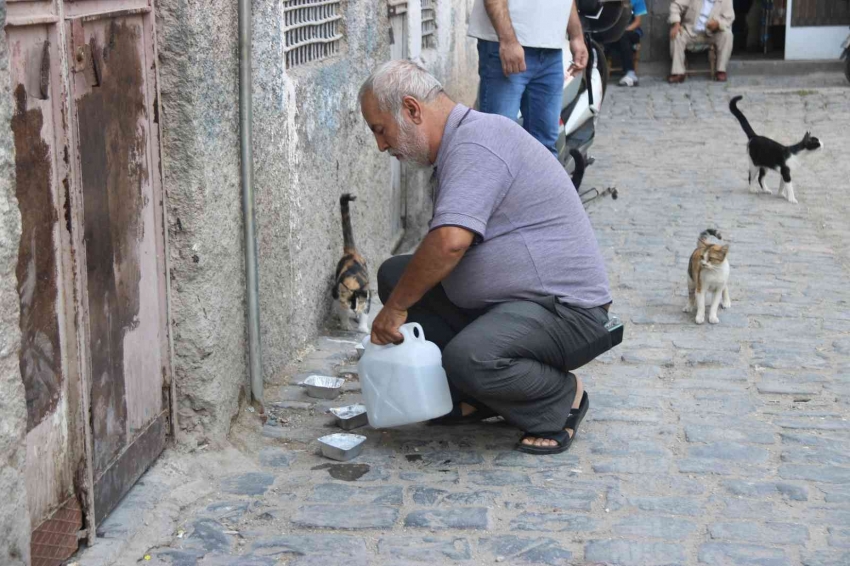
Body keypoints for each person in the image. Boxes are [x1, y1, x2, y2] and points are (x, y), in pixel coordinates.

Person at [358, 60, 614, 455]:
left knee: (471, 356)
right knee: (398, 274)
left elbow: (449, 243)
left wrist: (394, 309)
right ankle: (477, 397)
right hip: (514, 302)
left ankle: (560, 398)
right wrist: (401, 297)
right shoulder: (461, 142)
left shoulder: (477, 143)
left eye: (380, 129)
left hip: (567, 312)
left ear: (411, 110)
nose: (381, 145)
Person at [466, 0, 588, 157]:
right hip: (508, 47)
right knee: (497, 146)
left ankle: (541, 183)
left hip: (551, 51)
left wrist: (576, 36)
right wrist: (508, 41)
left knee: (544, 146)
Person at [668, 0, 735, 83]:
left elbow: (728, 18)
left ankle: (721, 71)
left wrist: (718, 24)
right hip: (690, 31)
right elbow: (676, 5)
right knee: (676, 34)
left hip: (712, 33)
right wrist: (676, 23)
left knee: (727, 35)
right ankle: (678, 73)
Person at [605, 0, 648, 87]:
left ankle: (630, 74)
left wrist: (622, 30)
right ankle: (597, 70)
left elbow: (637, 22)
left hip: (630, 31)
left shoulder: (637, 1)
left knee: (623, 36)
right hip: (613, 31)